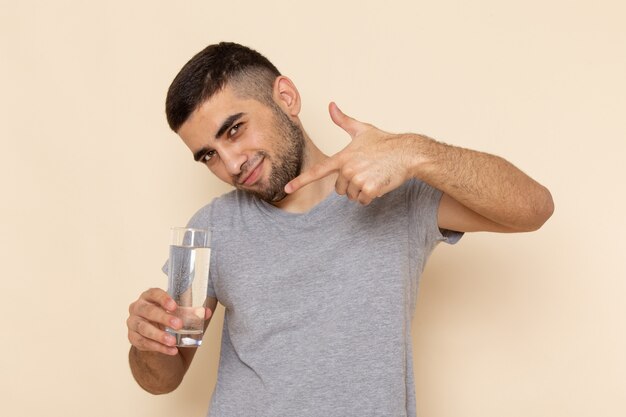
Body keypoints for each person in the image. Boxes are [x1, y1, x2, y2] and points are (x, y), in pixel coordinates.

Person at [126, 42, 554, 416]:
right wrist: (148, 343)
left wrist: (414, 152)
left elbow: (534, 209)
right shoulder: (210, 227)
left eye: (235, 130)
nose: (232, 164)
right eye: (209, 155)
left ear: (286, 97)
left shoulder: (395, 194)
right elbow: (162, 378)